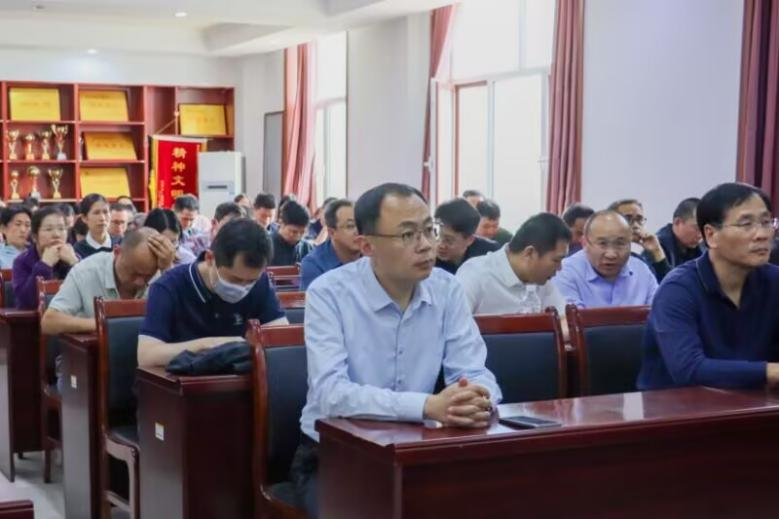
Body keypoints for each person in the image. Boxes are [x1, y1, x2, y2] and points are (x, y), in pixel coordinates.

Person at [294, 183, 501, 516]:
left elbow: (473, 369)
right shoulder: (328, 294)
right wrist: (428, 406)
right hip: (335, 455)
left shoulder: (447, 289)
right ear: (366, 245)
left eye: (429, 230)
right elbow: (331, 394)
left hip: (416, 449)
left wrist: (477, 399)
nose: (426, 245)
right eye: (407, 235)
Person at [637, 183, 779, 390]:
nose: (762, 235)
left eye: (766, 222)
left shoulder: (774, 281)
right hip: (678, 405)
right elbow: (688, 369)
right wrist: (770, 371)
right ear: (711, 235)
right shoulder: (677, 289)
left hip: (751, 402)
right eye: (746, 224)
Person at [137, 219, 288, 367]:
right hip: (184, 380)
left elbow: (283, 341)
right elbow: (147, 355)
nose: (243, 288)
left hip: (243, 380)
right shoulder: (169, 286)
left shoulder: (260, 283)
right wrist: (211, 345)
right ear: (210, 258)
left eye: (251, 281)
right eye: (235, 279)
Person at [41, 228, 175, 335]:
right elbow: (49, 322)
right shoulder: (86, 271)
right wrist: (106, 324)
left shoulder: (161, 271)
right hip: (89, 356)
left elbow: (179, 320)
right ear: (117, 252)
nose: (140, 282)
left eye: (147, 276)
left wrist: (168, 269)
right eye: (133, 273)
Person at [456, 213, 570, 317]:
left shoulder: (541, 282)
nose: (560, 268)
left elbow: (563, 319)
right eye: (556, 260)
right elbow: (454, 324)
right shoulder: (475, 274)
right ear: (529, 253)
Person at [552, 210, 657, 308]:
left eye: (620, 244)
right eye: (602, 243)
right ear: (584, 243)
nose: (611, 254)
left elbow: (659, 313)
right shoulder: (565, 272)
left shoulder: (641, 271)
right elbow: (572, 319)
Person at [13, 205, 79, 309]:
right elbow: (27, 303)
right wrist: (45, 265)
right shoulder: (22, 262)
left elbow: (89, 295)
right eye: (49, 229)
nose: (56, 234)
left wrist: (74, 263)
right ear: (34, 236)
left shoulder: (73, 256)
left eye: (61, 228)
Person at [300, 199, 361, 289]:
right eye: (350, 226)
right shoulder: (314, 264)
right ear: (331, 232)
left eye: (361, 224)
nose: (358, 231)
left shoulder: (373, 256)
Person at [609, 199, 671, 282]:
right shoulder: (601, 255)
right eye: (628, 218)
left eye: (639, 219)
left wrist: (656, 250)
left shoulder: (639, 261)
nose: (635, 225)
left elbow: (668, 285)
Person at [434, 198, 500, 274]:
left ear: (470, 240)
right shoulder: (428, 258)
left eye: (448, 240)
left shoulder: (490, 253)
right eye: (436, 235)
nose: (440, 245)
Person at [656, 197, 704, 268]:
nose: (701, 235)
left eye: (704, 229)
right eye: (697, 228)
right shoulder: (656, 246)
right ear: (677, 222)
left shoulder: (705, 248)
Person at [73, 194, 120, 259]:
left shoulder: (121, 244)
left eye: (105, 212)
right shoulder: (77, 250)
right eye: (96, 213)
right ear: (84, 218)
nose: (102, 218)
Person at [269, 201, 313, 266]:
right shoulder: (266, 246)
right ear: (281, 223)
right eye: (294, 232)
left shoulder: (307, 248)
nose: (298, 237)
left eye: (302, 232)